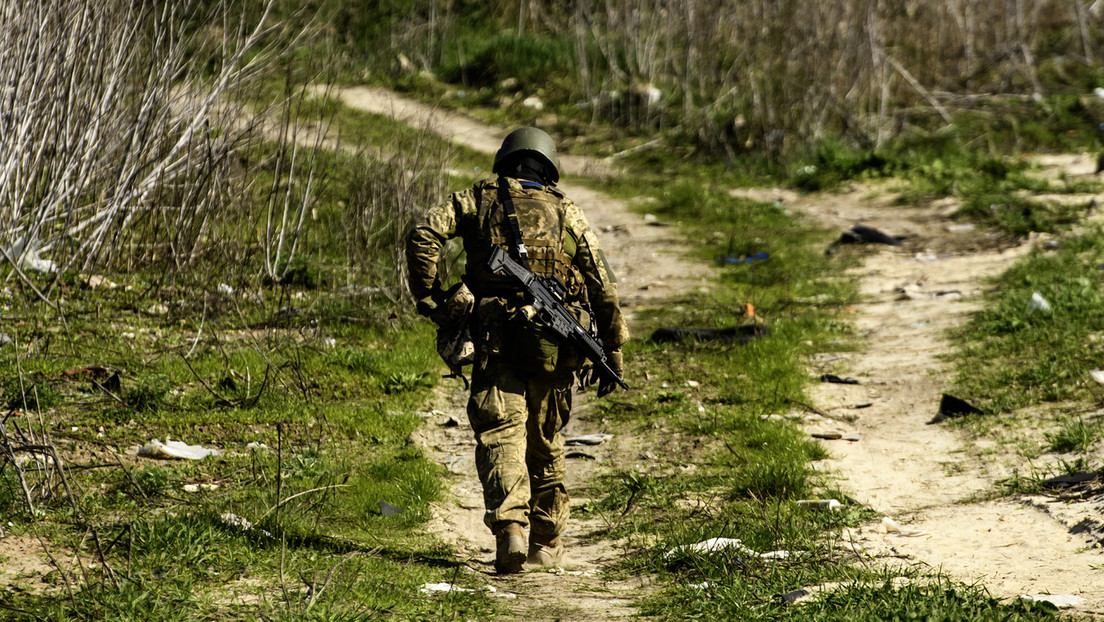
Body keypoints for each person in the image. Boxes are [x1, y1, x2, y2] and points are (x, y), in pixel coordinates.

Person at [405, 127, 629, 574]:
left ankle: (510, 529)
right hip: (553, 346)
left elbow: (423, 234)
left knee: (501, 433)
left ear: (504, 160)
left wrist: (432, 299)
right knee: (546, 439)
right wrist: (613, 343)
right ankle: (546, 542)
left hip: (493, 339)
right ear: (548, 166)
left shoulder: (475, 199)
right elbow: (602, 282)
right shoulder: (567, 212)